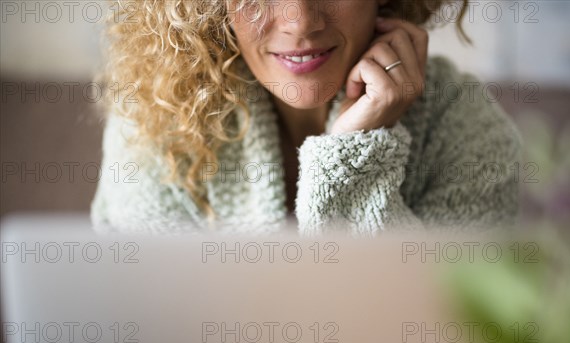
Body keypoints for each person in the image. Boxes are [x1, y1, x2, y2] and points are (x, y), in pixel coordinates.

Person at [91, 0, 522, 237]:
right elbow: (153, 340)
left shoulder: (464, 126)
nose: (299, 22)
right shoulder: (160, 113)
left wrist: (355, 157)